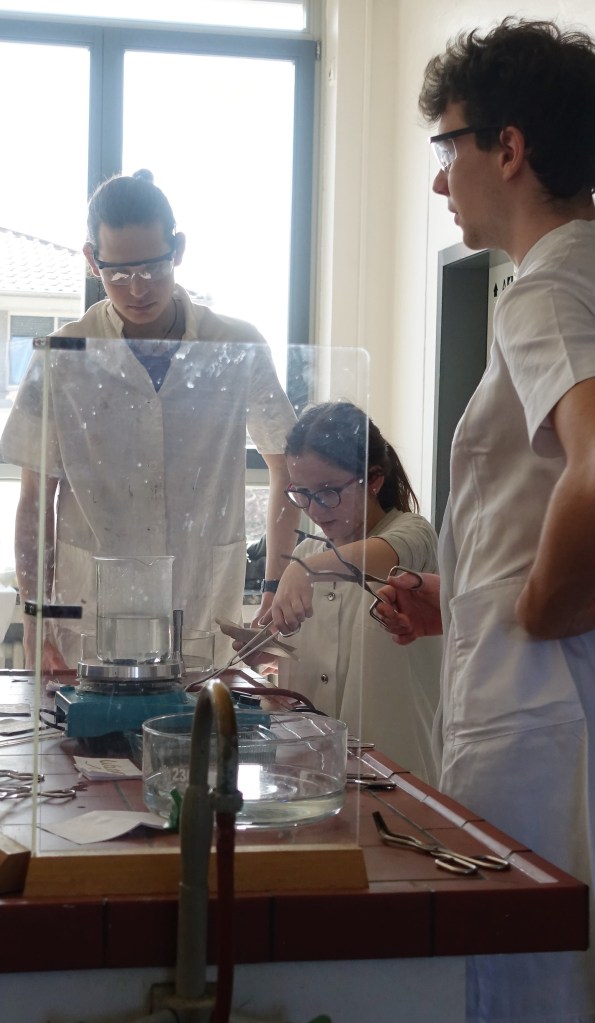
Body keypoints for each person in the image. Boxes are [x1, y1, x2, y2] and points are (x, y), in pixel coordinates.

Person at [373, 19, 595, 1022]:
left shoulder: (542, 290)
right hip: (560, 695)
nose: (438, 180)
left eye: (446, 146)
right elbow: (542, 497)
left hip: (540, 708)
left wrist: (536, 611)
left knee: (522, 982)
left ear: (507, 147)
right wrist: (464, 600)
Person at [0, 170, 299, 669]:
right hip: (91, 611)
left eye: (153, 268)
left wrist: (274, 581)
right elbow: (34, 501)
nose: (137, 289)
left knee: (198, 718)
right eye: (118, 274)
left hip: (200, 603)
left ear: (177, 250)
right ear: (92, 260)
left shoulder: (234, 345)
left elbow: (285, 466)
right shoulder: (63, 354)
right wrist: (34, 616)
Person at [249, 401, 441, 783]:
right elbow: (300, 664)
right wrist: (263, 654)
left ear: (373, 479)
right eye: (301, 493)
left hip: (396, 771)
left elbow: (381, 557)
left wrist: (301, 570)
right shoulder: (307, 553)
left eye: (327, 491)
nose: (315, 509)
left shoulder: (413, 533)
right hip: (311, 773)